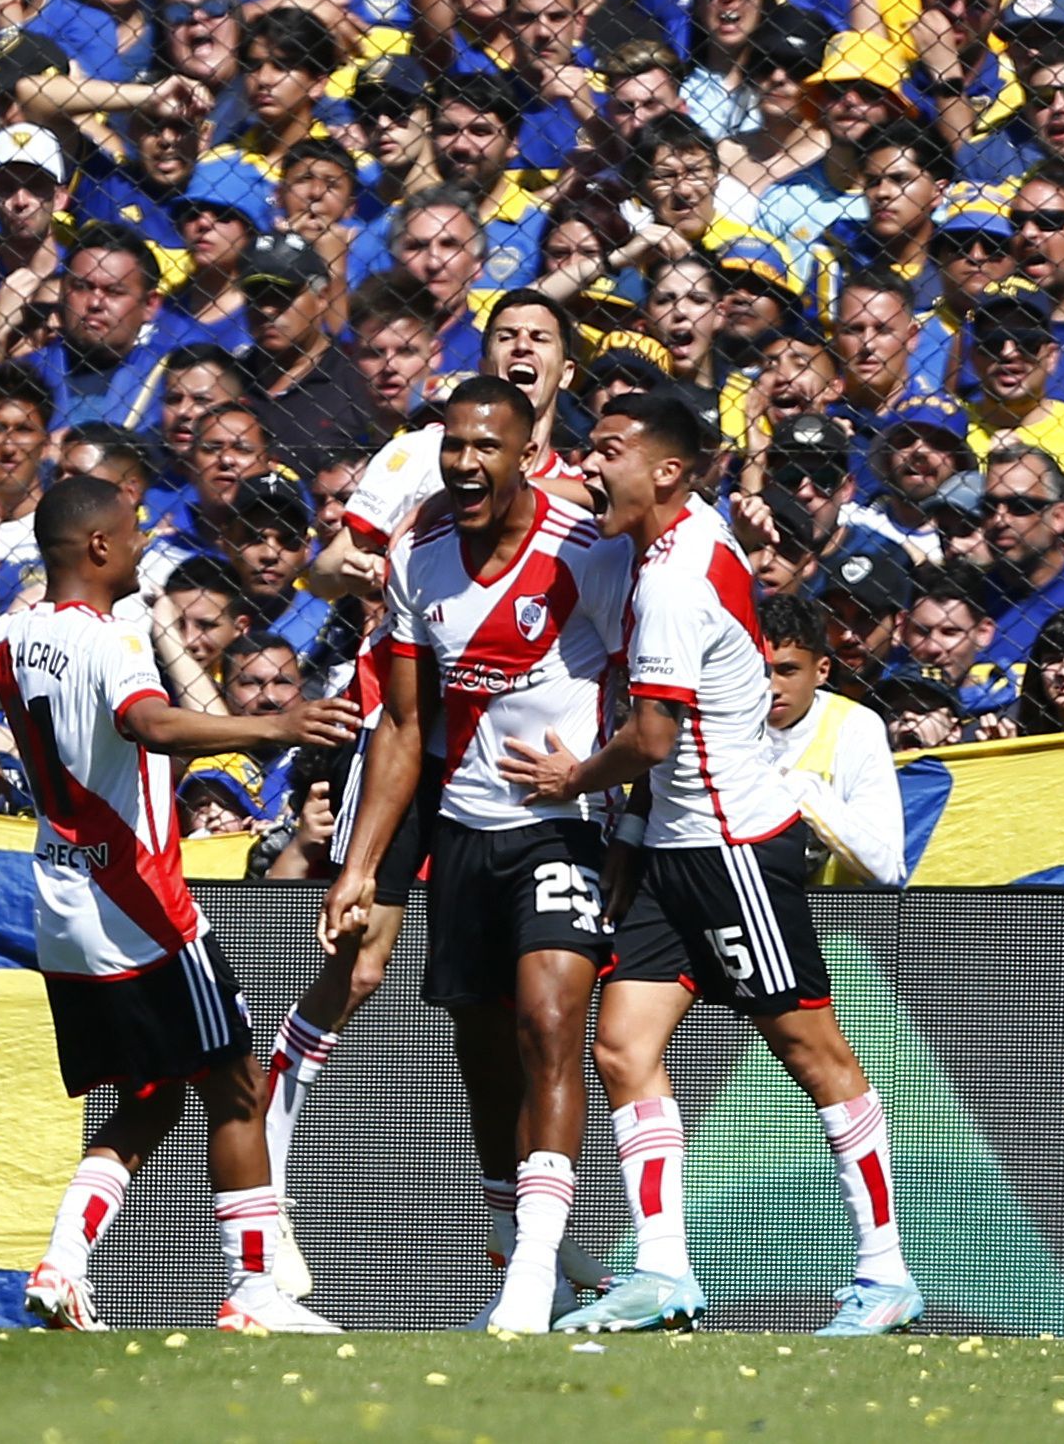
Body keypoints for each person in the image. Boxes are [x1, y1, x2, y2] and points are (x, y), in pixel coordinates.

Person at [499, 391, 923, 1338]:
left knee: (813, 1054)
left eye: (607, 452)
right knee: (621, 1049)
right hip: (669, 850)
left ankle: (886, 1272)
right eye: (589, 450)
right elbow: (574, 496)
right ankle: (661, 1272)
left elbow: (649, 739)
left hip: (732, 849)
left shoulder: (678, 583)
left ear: (669, 473)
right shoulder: (676, 532)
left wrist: (572, 779)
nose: (590, 466)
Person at [0, 473, 359, 1335]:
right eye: (133, 531)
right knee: (235, 1083)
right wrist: (275, 728)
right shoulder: (115, 642)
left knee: (154, 1093)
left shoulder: (4, 635)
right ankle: (256, 1292)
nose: (143, 543)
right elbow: (150, 724)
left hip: (60, 898)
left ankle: (63, 1263)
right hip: (137, 896)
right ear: (99, 548)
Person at [321, 376, 630, 1333]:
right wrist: (361, 864)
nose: (465, 464)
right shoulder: (417, 551)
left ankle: (534, 1269)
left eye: (485, 448)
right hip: (464, 829)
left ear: (523, 453)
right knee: (484, 1051)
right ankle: (522, 1237)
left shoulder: (587, 551)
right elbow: (408, 730)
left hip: (564, 822)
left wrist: (601, 783)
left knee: (549, 1019)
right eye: (453, 445)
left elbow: (653, 684)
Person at [758, 595, 909, 887]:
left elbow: (887, 866)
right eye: (763, 672)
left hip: (832, 922)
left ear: (822, 670)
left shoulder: (855, 726)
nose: (773, 688)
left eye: (788, 671)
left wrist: (803, 793)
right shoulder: (725, 724)